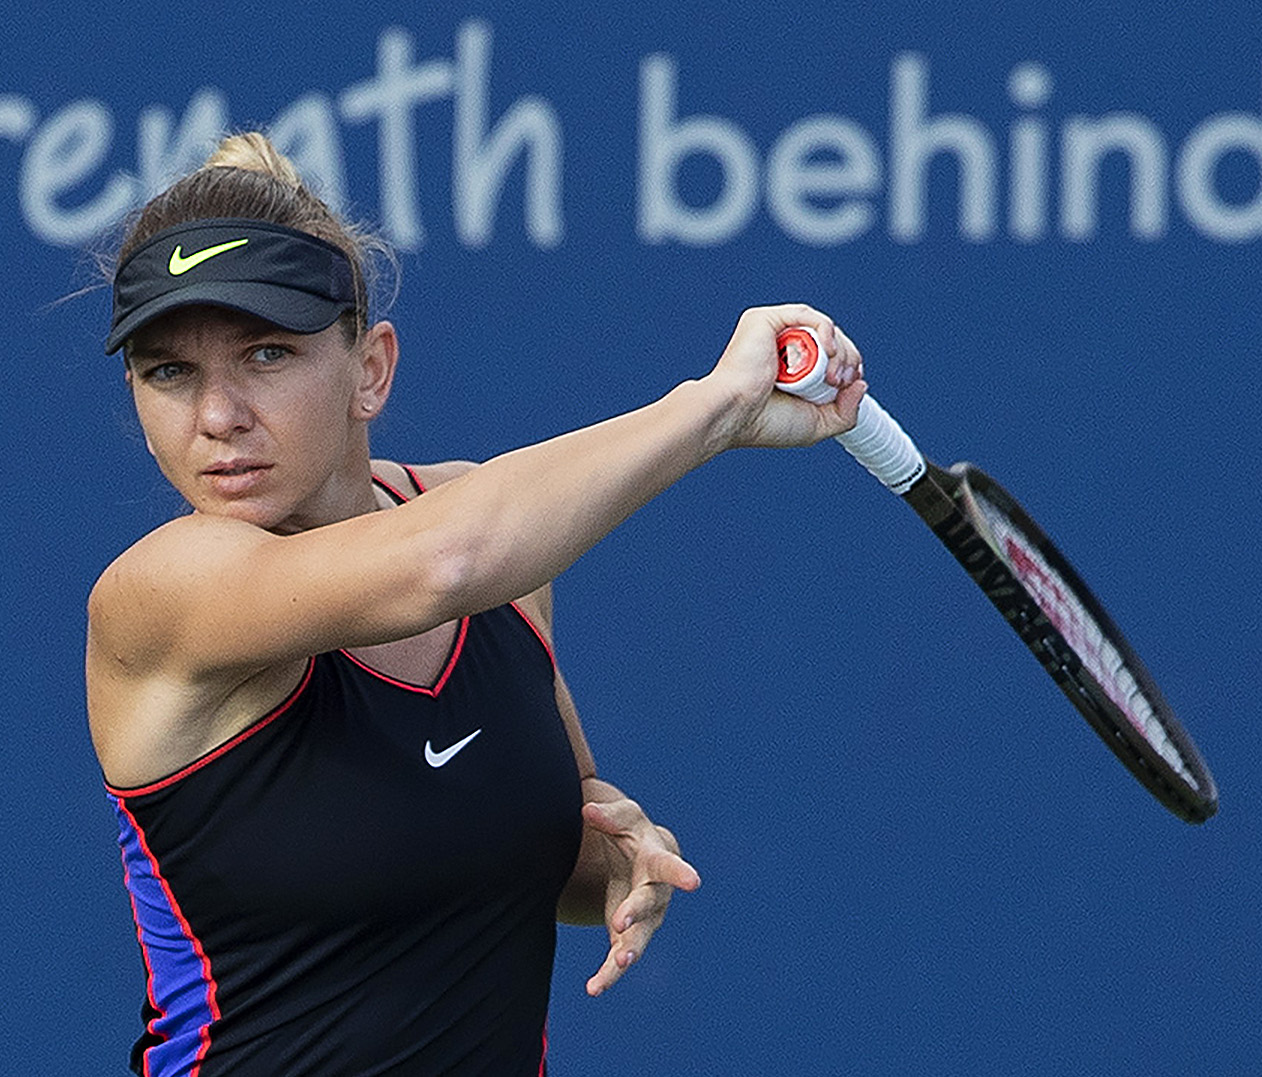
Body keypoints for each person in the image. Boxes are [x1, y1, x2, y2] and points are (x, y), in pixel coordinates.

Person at [86, 131, 866, 1077]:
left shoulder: (490, 548)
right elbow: (444, 562)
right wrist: (717, 406)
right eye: (169, 372)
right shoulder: (163, 594)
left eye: (265, 354)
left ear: (369, 368)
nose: (217, 416)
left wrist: (614, 855)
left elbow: (542, 834)